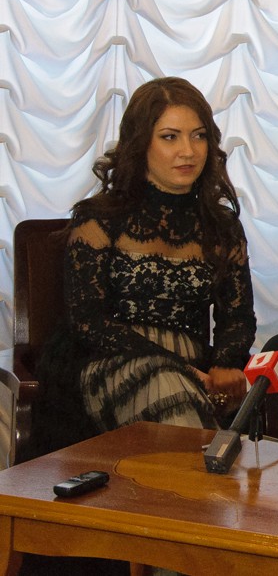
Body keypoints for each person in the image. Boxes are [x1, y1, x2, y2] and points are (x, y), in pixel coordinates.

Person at [25, 76, 256, 460]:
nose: (188, 151)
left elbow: (238, 317)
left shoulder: (223, 228)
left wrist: (225, 364)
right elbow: (88, 322)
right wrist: (177, 368)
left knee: (176, 390)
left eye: (198, 136)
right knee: (166, 384)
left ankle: (191, 490)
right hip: (108, 366)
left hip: (195, 375)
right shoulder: (99, 220)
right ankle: (203, 488)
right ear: (140, 143)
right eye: (170, 137)